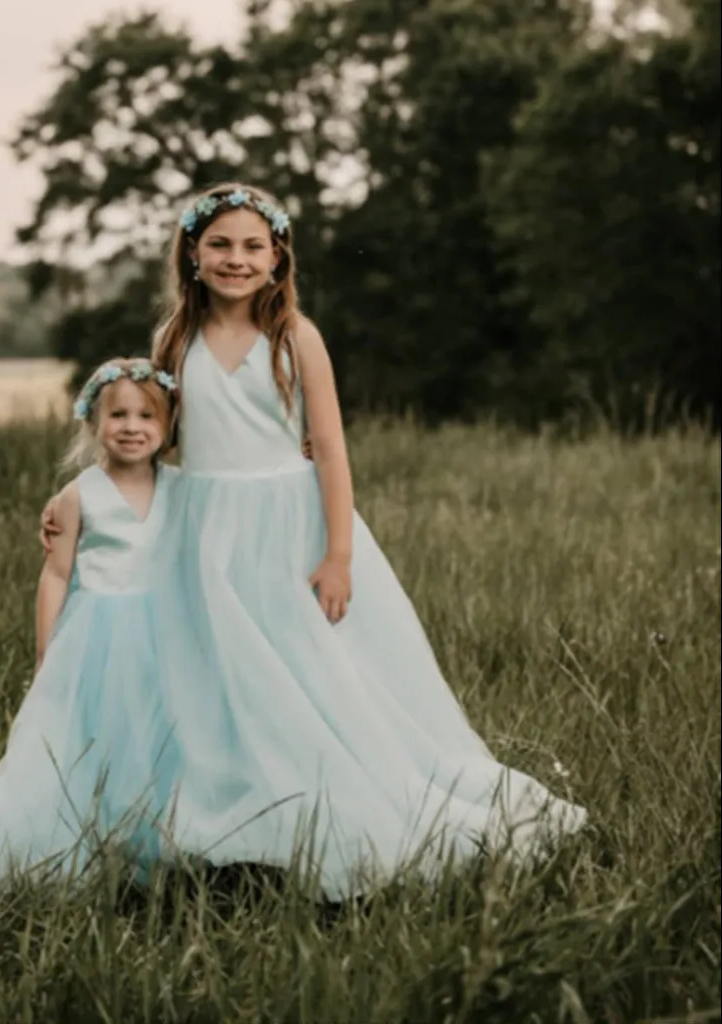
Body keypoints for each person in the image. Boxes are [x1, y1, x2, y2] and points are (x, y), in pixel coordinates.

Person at [40, 183, 587, 899]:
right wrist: (87, 503)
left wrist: (337, 554)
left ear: (276, 257)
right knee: (218, 679)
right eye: (220, 245)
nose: (236, 259)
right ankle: (237, 826)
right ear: (193, 254)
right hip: (203, 530)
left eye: (252, 246)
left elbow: (329, 448)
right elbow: (153, 442)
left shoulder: (296, 336)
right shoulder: (173, 337)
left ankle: (337, 809)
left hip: (289, 526)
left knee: (312, 675)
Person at [0, 357, 185, 887]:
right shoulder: (78, 495)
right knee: (93, 738)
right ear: (93, 422)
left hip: (165, 635)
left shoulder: (184, 488)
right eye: (117, 415)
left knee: (158, 737)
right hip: (98, 636)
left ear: (168, 426)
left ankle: (158, 841)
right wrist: (49, 650)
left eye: (146, 417)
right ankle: (88, 837)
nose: (132, 427)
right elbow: (56, 576)